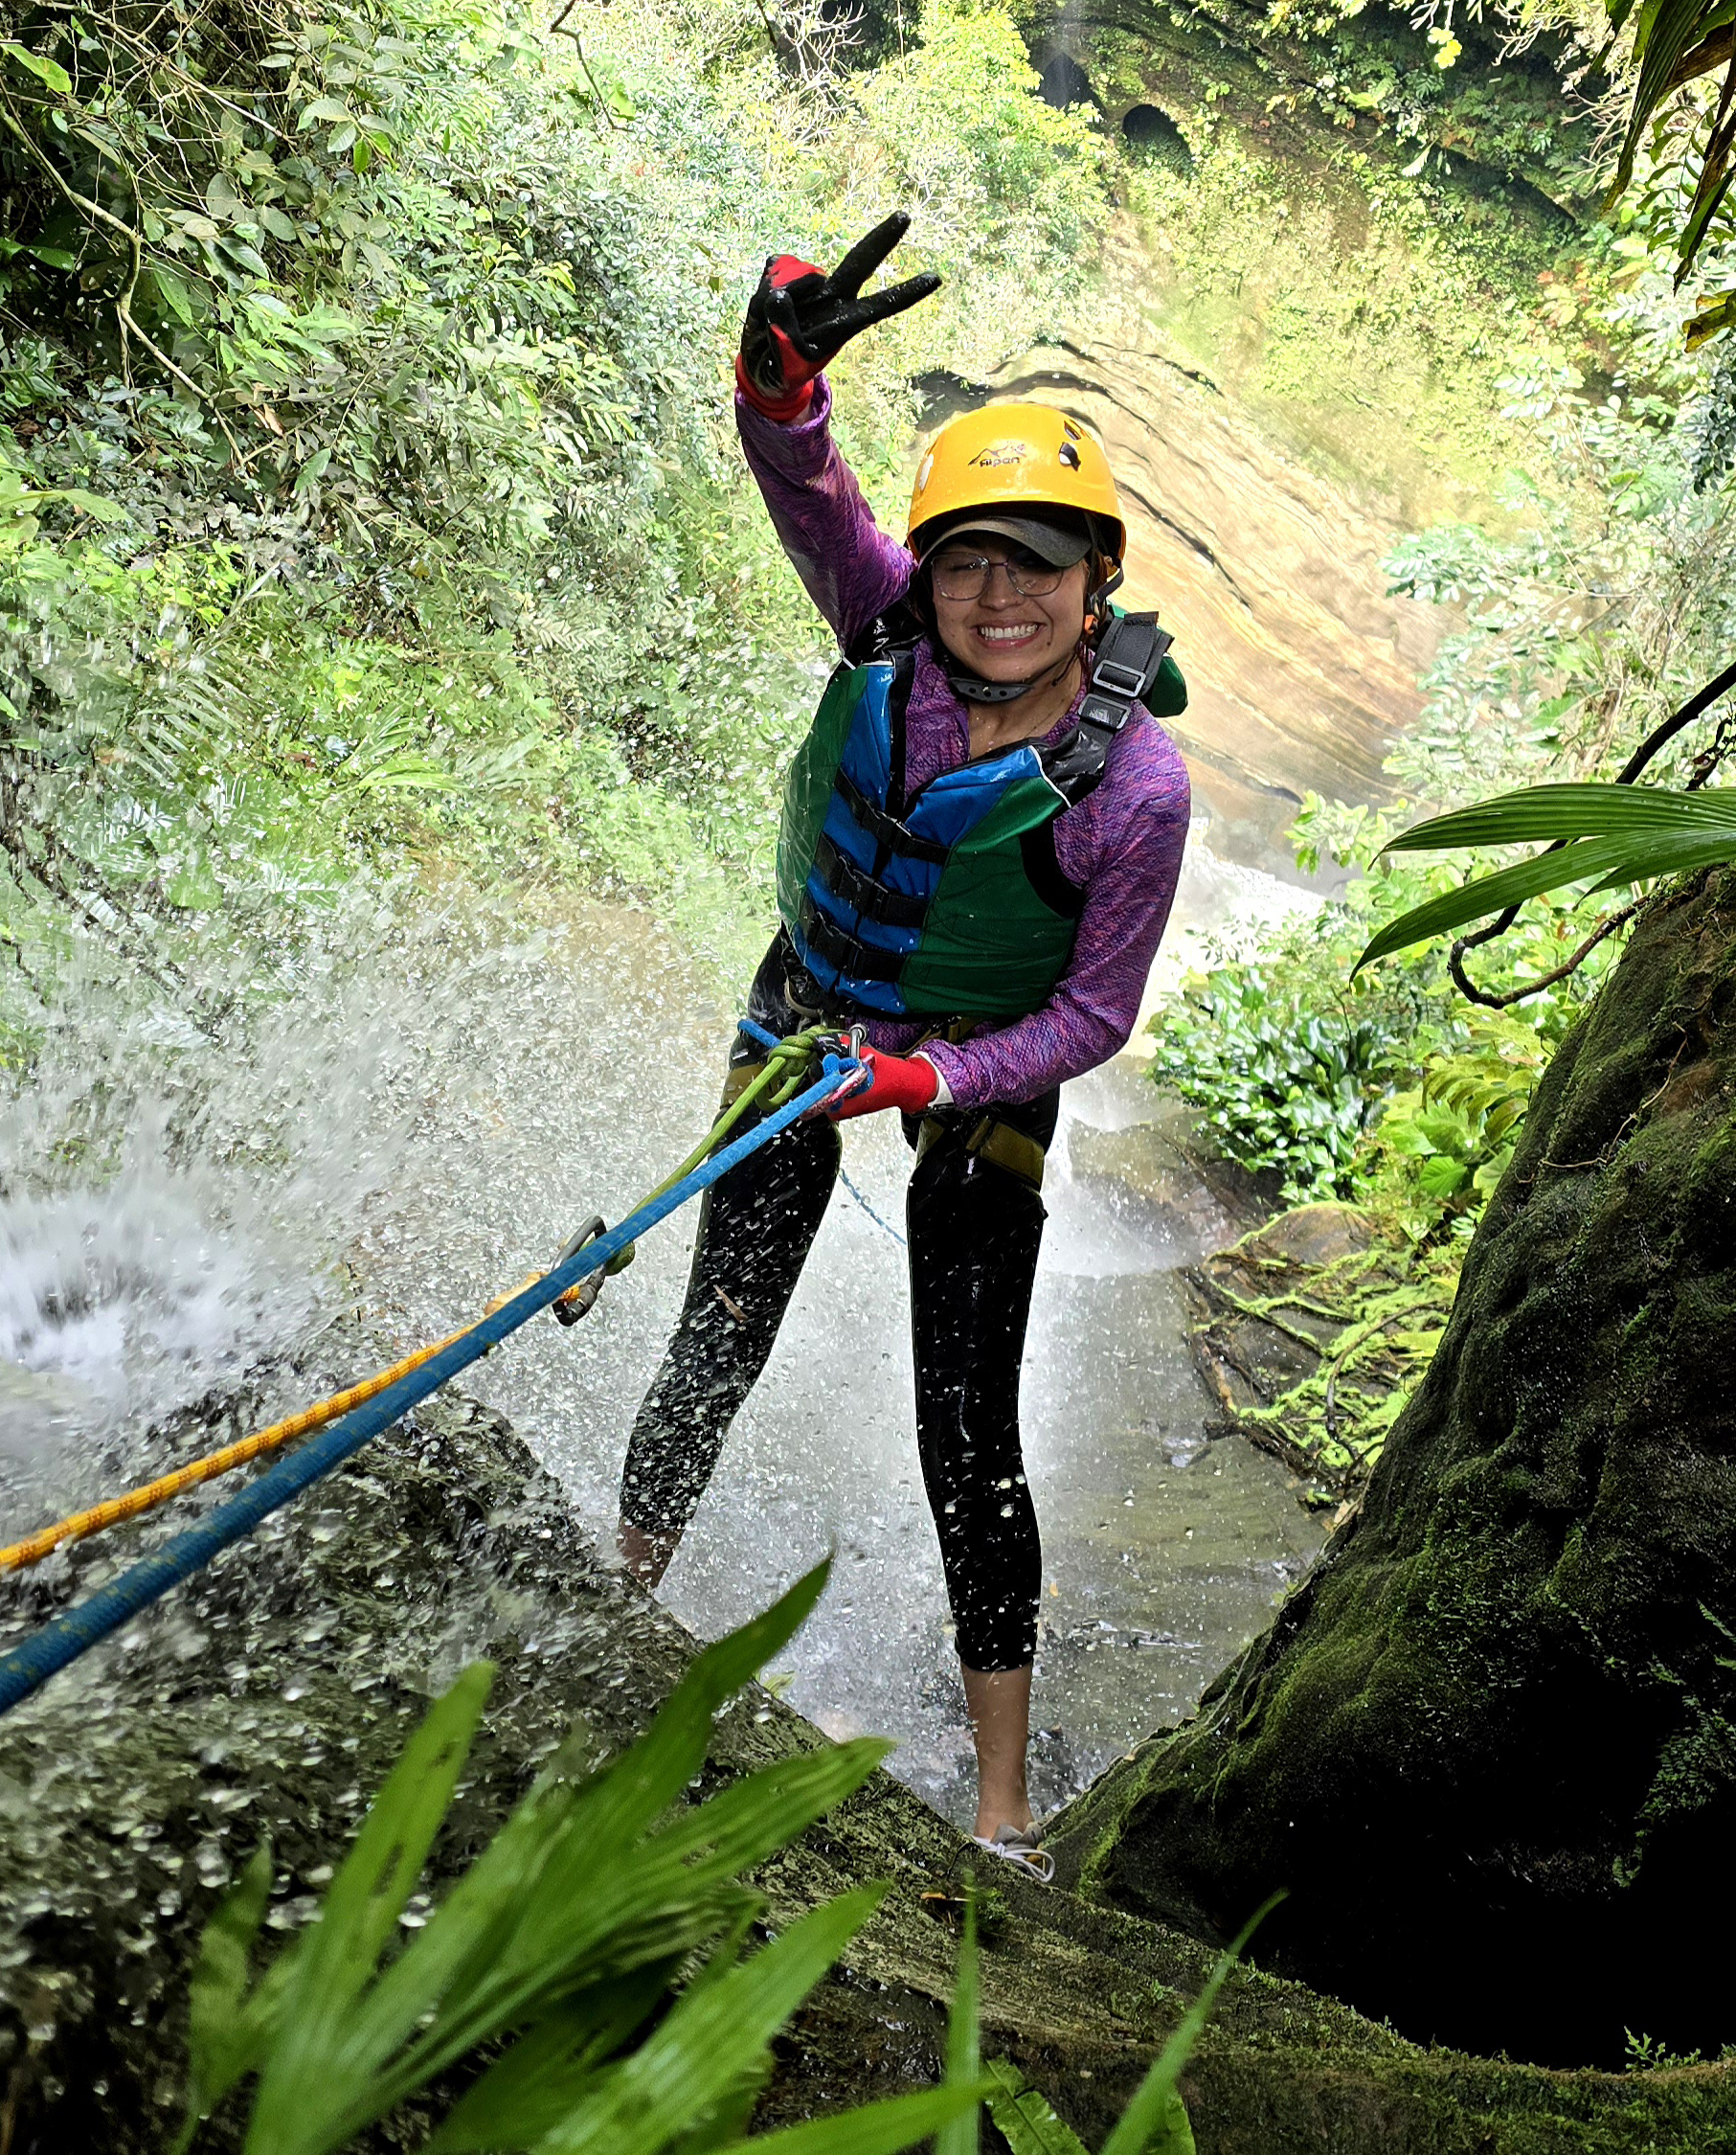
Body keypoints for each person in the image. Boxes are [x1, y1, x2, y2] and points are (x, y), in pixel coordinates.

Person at [615, 214, 1191, 1879]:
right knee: (723, 1322)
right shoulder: (887, 632)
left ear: (1099, 589)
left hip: (984, 1064)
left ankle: (1001, 1805)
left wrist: (935, 1076)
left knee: (965, 1418)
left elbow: (1093, 1014)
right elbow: (811, 490)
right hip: (814, 1005)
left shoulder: (1135, 788)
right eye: (967, 561)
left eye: (1037, 563)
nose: (995, 595)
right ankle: (620, 1593)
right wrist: (777, 377)